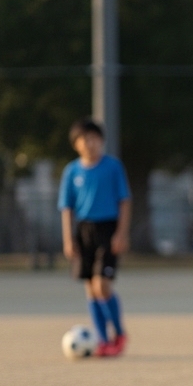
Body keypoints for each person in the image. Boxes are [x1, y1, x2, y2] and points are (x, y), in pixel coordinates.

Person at [59, 120, 131, 357]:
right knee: (90, 288)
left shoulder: (112, 167)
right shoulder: (72, 171)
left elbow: (124, 200)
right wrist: (69, 239)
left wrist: (121, 232)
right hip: (84, 230)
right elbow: (67, 207)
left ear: (101, 141)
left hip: (108, 228)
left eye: (94, 138)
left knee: (102, 284)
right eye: (84, 139)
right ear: (76, 145)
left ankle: (119, 334)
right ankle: (102, 340)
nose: (90, 144)